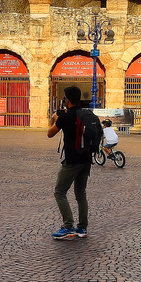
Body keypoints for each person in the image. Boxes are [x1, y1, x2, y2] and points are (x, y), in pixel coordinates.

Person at [47, 85, 97, 239]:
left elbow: (50, 133)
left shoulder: (65, 117)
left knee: (59, 192)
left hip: (72, 161)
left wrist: (56, 119)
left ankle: (68, 225)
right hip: (86, 159)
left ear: (66, 100)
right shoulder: (86, 114)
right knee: (80, 194)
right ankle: (82, 228)